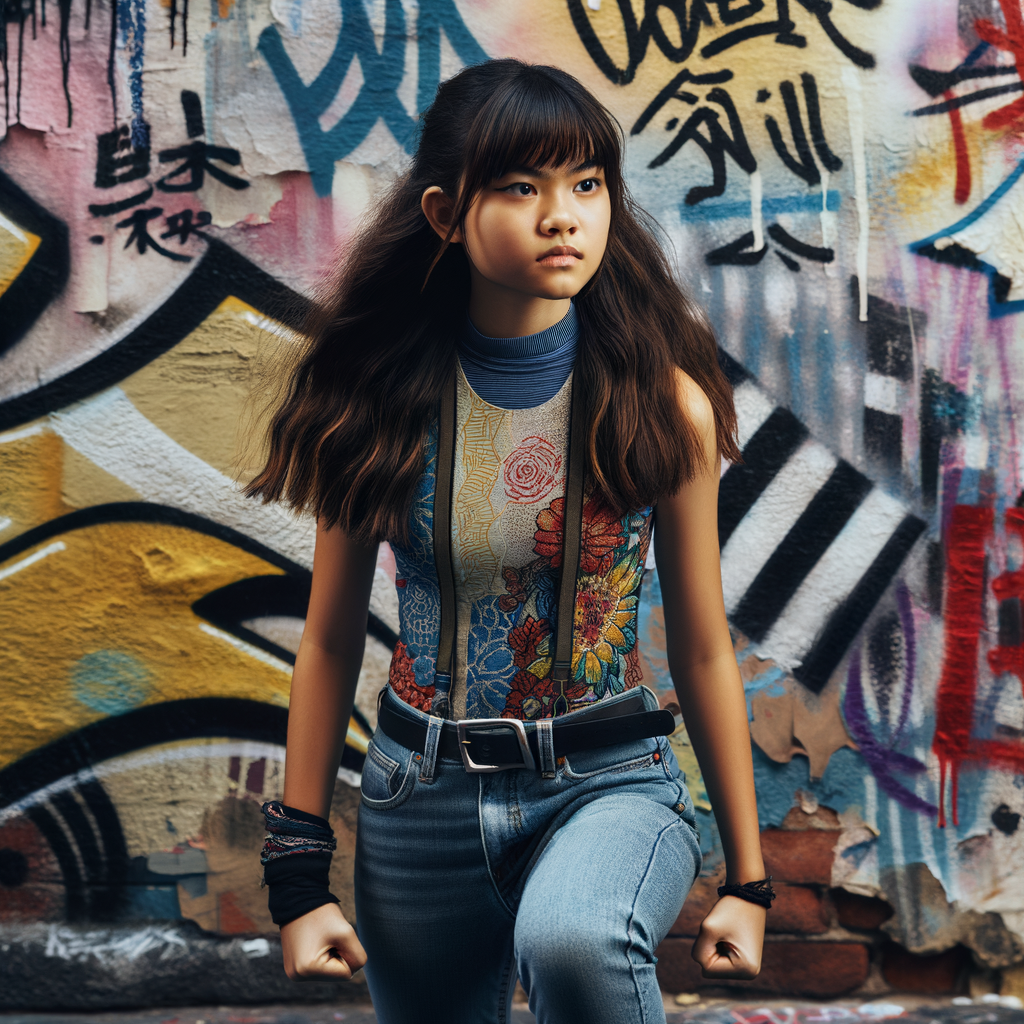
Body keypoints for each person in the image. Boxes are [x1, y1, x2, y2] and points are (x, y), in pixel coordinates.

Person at [247, 58, 771, 1024]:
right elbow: (324, 642)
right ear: (447, 214)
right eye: (521, 187)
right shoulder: (376, 401)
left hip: (609, 782)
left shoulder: (663, 405)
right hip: (418, 797)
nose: (562, 215)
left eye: (586, 184)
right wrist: (298, 876)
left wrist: (750, 878)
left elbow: (702, 644)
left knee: (575, 944)